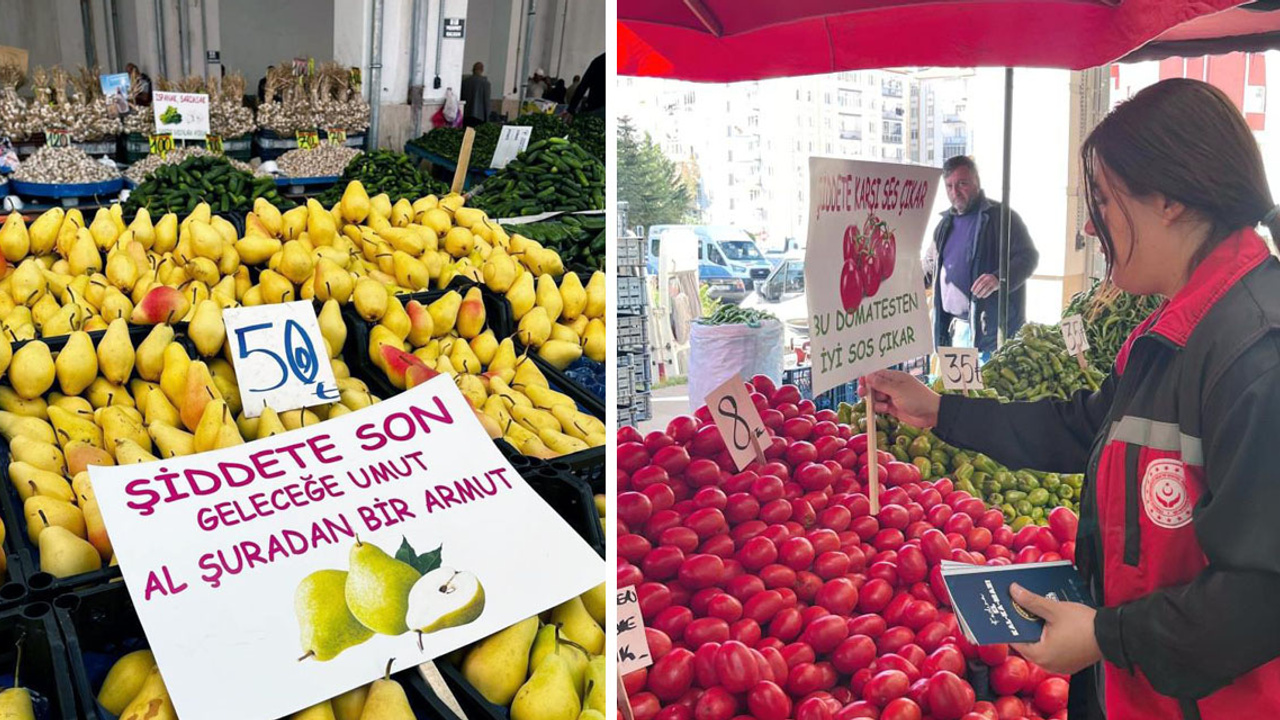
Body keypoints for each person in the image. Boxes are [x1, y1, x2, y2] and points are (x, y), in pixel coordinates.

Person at [863, 78, 1280, 720]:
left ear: (1168, 199)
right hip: (1137, 694)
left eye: (1105, 200)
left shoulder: (1257, 354)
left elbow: (1262, 596)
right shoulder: (1180, 328)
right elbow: (1086, 426)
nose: (1091, 224)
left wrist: (1105, 636)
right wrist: (941, 411)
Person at [923, 156, 1038, 357]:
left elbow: (1028, 257)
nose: (955, 192)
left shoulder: (1002, 217)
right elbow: (929, 268)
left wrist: (998, 278)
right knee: (955, 390)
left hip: (991, 337)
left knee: (987, 389)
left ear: (976, 181)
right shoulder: (943, 226)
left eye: (962, 184)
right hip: (955, 332)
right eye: (949, 186)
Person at [460, 62, 491, 127]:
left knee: (467, 135)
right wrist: (487, 119)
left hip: (466, 115)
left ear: (473, 70)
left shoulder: (465, 82)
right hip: (480, 116)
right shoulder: (485, 83)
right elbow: (486, 102)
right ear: (482, 70)